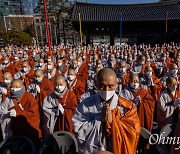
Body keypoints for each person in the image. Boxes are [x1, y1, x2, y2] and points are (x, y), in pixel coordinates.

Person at [73, 68, 141, 154]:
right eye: (102, 85)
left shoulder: (126, 106)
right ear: (96, 84)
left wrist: (113, 122)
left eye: (110, 86)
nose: (106, 90)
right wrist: (98, 121)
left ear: (116, 84)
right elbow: (77, 129)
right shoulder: (86, 104)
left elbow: (134, 131)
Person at [0, 79, 42, 144]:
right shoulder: (9, 98)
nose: (14, 89)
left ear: (22, 87)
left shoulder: (29, 98)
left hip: (26, 129)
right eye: (12, 87)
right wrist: (7, 113)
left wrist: (18, 113)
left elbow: (33, 115)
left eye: (17, 87)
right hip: (12, 129)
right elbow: (1, 109)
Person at [120, 74, 155, 149]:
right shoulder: (124, 92)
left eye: (136, 81)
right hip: (131, 119)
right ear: (129, 81)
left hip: (142, 118)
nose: (134, 83)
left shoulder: (143, 91)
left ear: (139, 81)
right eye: (132, 81)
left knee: (143, 136)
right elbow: (121, 104)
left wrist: (142, 103)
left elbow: (151, 102)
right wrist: (132, 103)